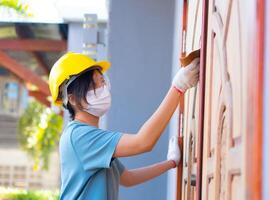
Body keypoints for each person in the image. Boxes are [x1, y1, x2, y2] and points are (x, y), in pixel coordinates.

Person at [48, 52, 200, 200]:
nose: (103, 89)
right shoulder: (78, 137)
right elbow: (143, 142)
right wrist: (178, 87)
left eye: (102, 81)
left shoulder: (88, 138)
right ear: (73, 99)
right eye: (93, 85)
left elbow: (128, 178)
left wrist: (171, 162)